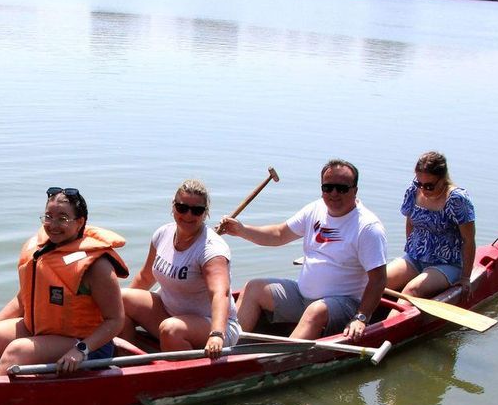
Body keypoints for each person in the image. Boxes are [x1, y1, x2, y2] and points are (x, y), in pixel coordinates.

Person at [0, 187, 128, 377]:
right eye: (48, 216)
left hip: (84, 343)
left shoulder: (97, 266)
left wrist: (81, 350)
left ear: (80, 222)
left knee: (18, 350)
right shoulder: (41, 251)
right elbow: (22, 299)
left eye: (62, 218)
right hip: (40, 331)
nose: (53, 225)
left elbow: (116, 320)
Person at [217, 159, 388, 342]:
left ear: (355, 190)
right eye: (328, 188)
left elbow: (378, 280)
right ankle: (230, 348)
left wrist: (361, 317)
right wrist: (241, 230)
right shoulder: (315, 209)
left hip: (344, 304)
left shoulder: (368, 227)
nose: (334, 193)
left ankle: (278, 361)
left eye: (342, 188)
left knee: (315, 311)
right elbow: (279, 234)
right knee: (253, 287)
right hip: (302, 294)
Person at [120, 179, 240, 360]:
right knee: (121, 299)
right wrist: (113, 315)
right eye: (182, 208)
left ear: (205, 213)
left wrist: (216, 334)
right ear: (173, 206)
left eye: (197, 210)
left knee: (171, 329)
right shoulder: (163, 234)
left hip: (214, 325)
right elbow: (145, 277)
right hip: (170, 312)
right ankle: (126, 362)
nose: (189, 215)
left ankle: (181, 377)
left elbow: (220, 293)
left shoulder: (212, 249)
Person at [385, 151, 476, 299]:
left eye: (429, 186)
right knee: (376, 282)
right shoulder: (413, 191)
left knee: (411, 290)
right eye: (419, 183)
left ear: (443, 179)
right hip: (415, 258)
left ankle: (396, 321)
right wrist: (411, 248)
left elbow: (469, 240)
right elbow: (410, 222)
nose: (423, 189)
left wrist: (466, 278)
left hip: (447, 263)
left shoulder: (457, 199)